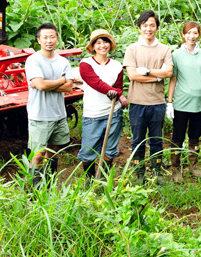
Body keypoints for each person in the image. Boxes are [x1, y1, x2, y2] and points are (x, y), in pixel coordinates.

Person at [123, 10, 173, 184]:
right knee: (138, 139)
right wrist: (157, 77)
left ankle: (157, 172)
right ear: (139, 28)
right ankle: (139, 173)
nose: (148, 29)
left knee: (156, 139)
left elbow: (169, 72)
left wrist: (147, 71)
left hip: (157, 102)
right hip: (137, 102)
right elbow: (132, 76)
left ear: (157, 28)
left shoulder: (164, 49)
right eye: (145, 25)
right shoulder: (132, 49)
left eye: (152, 25)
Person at [25, 22, 73, 187]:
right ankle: (33, 190)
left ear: (57, 39)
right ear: (38, 40)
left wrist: (46, 83)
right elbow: (41, 85)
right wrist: (60, 80)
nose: (49, 40)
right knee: (37, 155)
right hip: (39, 115)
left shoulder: (63, 62)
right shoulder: (33, 60)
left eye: (52, 37)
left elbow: (69, 87)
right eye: (45, 37)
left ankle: (49, 186)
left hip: (59, 115)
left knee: (52, 153)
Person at [166, 22, 201, 182]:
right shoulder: (177, 55)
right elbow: (173, 79)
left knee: (195, 136)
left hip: (199, 104)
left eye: (195, 33)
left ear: (199, 35)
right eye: (188, 33)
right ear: (183, 34)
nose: (191, 36)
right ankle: (176, 169)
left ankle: (193, 166)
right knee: (178, 137)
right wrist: (170, 102)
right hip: (181, 103)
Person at [77, 29, 127, 182]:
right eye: (98, 43)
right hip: (93, 114)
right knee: (87, 151)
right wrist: (118, 94)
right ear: (93, 46)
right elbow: (96, 83)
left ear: (110, 45)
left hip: (113, 112)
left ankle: (103, 180)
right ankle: (90, 180)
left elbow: (118, 86)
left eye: (105, 42)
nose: (102, 45)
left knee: (110, 149)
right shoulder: (85, 64)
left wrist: (118, 93)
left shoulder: (117, 65)